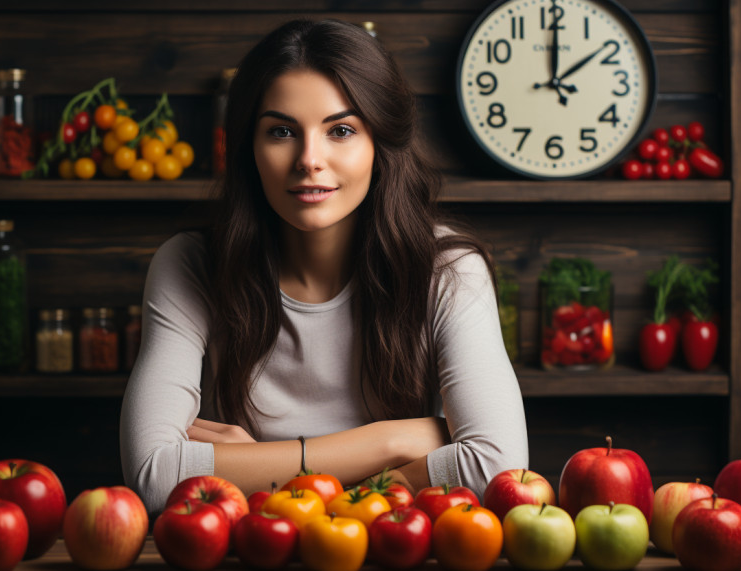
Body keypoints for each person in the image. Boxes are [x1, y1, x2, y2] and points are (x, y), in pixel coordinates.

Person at [120, 18, 528, 514]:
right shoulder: (190, 265)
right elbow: (153, 475)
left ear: (380, 143)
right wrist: (401, 441)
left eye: (340, 130)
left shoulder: (448, 270)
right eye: (281, 131)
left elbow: (501, 470)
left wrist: (255, 466)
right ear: (249, 147)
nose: (309, 159)